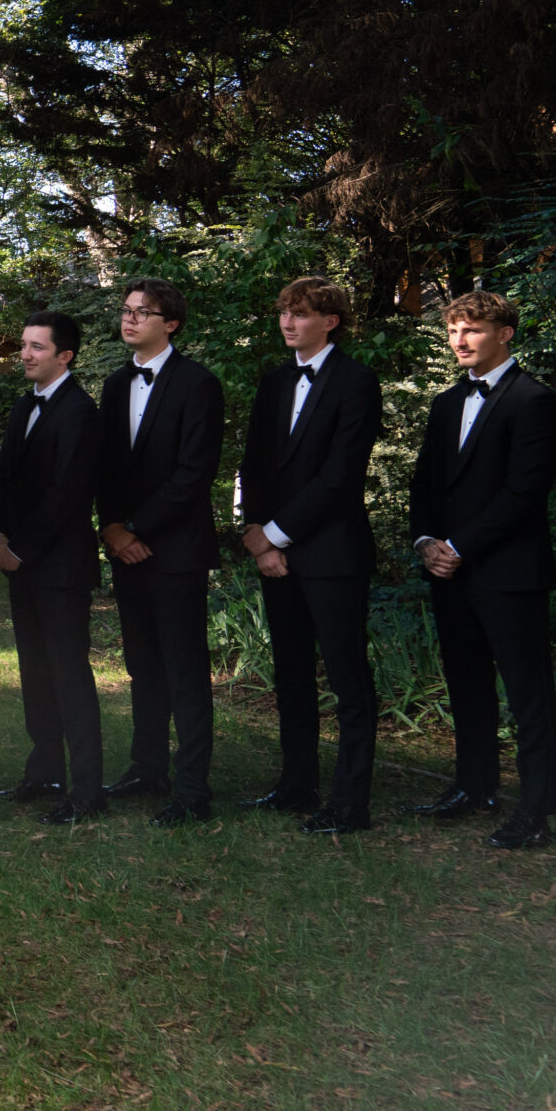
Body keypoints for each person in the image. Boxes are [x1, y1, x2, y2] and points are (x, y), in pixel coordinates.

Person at [409, 291, 556, 849]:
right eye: (453, 330)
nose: (459, 340)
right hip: (449, 572)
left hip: (508, 572)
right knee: (467, 685)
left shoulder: (535, 401)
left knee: (528, 694)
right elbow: (425, 482)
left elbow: (524, 492)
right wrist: (428, 541)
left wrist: (458, 545)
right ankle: (473, 788)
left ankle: (536, 810)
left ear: (506, 334)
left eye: (471, 329)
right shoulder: (447, 403)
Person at [237, 276, 383, 835]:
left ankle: (350, 803)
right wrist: (255, 532)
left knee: (348, 680)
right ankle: (296, 784)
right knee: (291, 674)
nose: (287, 322)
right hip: (276, 555)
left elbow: (339, 476)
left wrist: (275, 533)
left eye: (300, 314)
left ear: (331, 321)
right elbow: (254, 462)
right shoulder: (273, 382)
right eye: (283, 313)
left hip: (333, 554)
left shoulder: (357, 381)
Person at [95, 277, 226, 827]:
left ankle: (192, 788)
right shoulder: (113, 385)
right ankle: (147, 767)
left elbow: (194, 473)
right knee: (142, 665)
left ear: (170, 324)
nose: (129, 320)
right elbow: (106, 467)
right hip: (126, 548)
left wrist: (136, 528)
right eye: (126, 311)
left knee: (184, 669)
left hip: (176, 549)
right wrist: (111, 529)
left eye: (142, 313)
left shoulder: (198, 384)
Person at [0, 311, 106, 824]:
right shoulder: (22, 407)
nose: (26, 354)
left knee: (68, 674)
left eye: (38, 347)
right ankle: (45, 771)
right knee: (34, 671)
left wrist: (23, 548)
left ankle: (87, 789)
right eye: (24, 345)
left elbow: (68, 494)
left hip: (60, 567)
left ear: (66, 356)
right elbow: (5, 480)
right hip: (22, 563)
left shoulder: (80, 411)